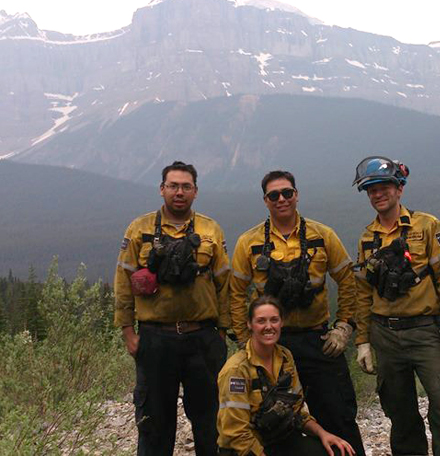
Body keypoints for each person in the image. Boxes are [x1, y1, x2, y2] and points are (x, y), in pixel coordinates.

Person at [228, 171, 365, 456]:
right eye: (274, 195)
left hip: (318, 341)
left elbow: (348, 280)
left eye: (287, 193)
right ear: (265, 200)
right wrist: (244, 340)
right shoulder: (249, 242)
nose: (282, 199)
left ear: (297, 194)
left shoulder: (322, 235)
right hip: (270, 346)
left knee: (338, 416)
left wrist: (344, 326)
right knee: (272, 419)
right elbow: (235, 292)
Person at [352, 156, 440, 456]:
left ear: (399, 189)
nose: (377, 194)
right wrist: (363, 341)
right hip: (385, 335)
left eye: (383, 187)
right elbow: (363, 291)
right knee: (400, 414)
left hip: (425, 331)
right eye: (371, 190)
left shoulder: (427, 226)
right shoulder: (368, 237)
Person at [114, 161, 230, 456]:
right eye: (174, 186)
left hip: (203, 337)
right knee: (154, 424)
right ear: (162, 189)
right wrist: (128, 332)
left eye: (186, 187)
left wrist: (224, 332)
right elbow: (123, 281)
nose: (180, 192)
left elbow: (225, 285)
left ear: (196, 191)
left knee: (211, 423)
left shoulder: (210, 229)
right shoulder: (139, 228)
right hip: (155, 338)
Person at [217, 295, 355, 456]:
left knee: (337, 451)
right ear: (250, 324)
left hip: (279, 441)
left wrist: (323, 434)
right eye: (261, 321)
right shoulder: (236, 370)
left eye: (274, 320)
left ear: (281, 323)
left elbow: (297, 412)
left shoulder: (285, 358)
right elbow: (236, 434)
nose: (269, 326)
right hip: (246, 449)